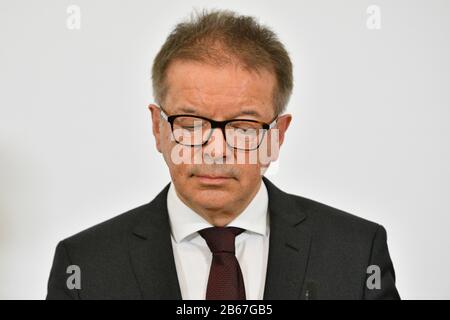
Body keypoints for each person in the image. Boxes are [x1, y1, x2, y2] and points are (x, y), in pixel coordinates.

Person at [47, 9, 400, 300]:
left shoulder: (356, 253)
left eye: (244, 127)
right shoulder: (84, 265)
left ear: (276, 136)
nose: (215, 150)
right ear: (158, 128)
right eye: (189, 124)